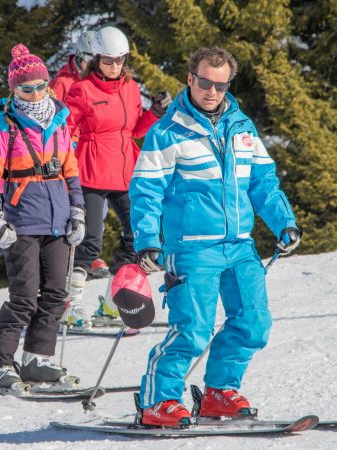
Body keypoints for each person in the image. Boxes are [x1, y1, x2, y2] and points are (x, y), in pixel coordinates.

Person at [129, 46, 302, 427]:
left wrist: (284, 223)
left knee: (253, 322)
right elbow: (146, 191)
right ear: (191, 78)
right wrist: (147, 240)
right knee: (192, 330)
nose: (212, 91)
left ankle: (219, 392)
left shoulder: (242, 126)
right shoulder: (166, 132)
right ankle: (159, 400)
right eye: (205, 82)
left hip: (240, 245)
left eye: (220, 85)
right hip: (192, 248)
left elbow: (263, 183)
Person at [0, 43, 85, 389]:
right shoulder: (3, 126)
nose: (35, 93)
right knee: (24, 297)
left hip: (58, 220)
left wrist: (78, 210)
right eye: (26, 88)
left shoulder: (58, 119)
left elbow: (70, 168)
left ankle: (37, 359)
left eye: (40, 85)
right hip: (21, 222)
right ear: (14, 89)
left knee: (55, 293)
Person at [65, 26, 172, 328]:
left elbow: (135, 129)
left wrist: (155, 112)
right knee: (89, 241)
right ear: (96, 60)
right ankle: (71, 305)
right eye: (108, 60)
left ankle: (113, 303)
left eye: (120, 61)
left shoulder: (130, 87)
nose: (114, 67)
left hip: (125, 172)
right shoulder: (82, 90)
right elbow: (66, 129)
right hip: (91, 171)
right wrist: (63, 165)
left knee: (136, 235)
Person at [49, 30, 109, 279]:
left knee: (98, 208)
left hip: (93, 154)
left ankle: (87, 254)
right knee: (72, 204)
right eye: (90, 60)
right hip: (70, 153)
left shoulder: (98, 82)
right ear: (81, 57)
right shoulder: (63, 83)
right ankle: (67, 255)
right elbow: (54, 120)